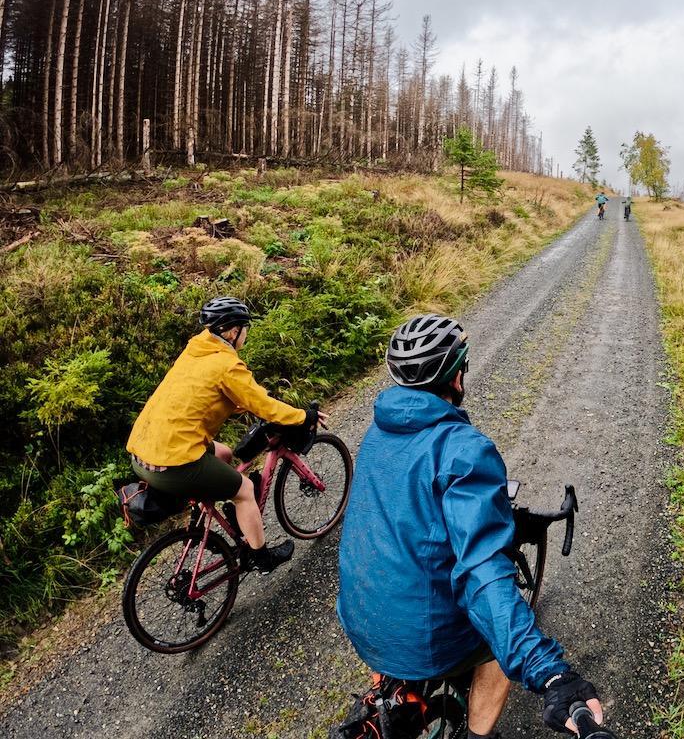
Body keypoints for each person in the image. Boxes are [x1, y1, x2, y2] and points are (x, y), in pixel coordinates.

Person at [337, 314, 605, 738]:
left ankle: (391, 690)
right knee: (495, 655)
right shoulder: (464, 450)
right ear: (456, 376)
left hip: (358, 616)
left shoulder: (376, 432)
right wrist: (549, 673)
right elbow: (482, 573)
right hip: (421, 636)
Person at [126, 296, 324, 574]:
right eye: (245, 328)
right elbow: (265, 407)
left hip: (145, 452)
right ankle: (261, 558)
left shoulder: (196, 350)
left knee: (225, 453)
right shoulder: (227, 366)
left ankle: (220, 505)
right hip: (173, 463)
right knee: (244, 491)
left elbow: (209, 394)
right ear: (233, 331)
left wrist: (250, 401)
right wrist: (304, 416)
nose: (246, 334)